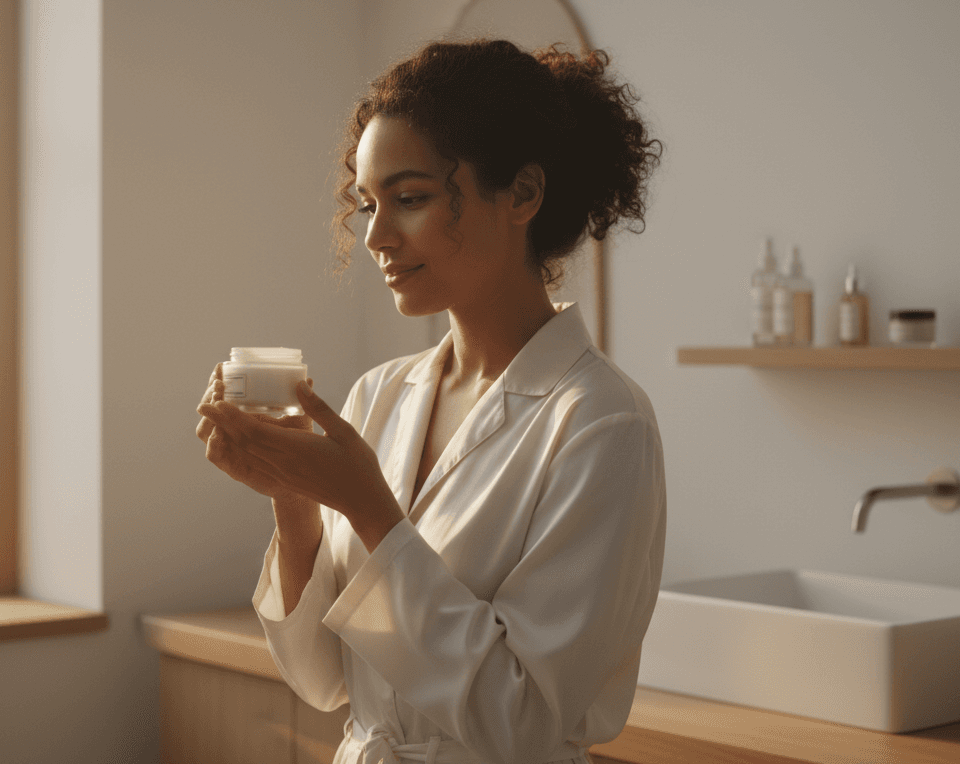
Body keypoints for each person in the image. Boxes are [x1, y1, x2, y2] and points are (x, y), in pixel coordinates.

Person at [197, 38, 664, 764]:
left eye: (409, 199)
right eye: (368, 204)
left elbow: (526, 723)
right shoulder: (378, 395)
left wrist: (369, 510)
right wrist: (294, 504)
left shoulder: (601, 422)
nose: (377, 236)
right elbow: (325, 682)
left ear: (523, 194)